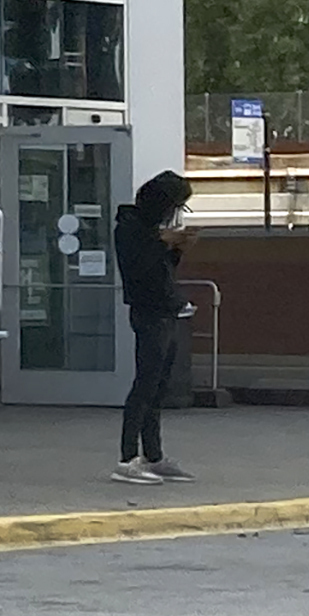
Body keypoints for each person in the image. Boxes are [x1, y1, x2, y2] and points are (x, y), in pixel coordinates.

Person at [114, 171, 196, 484]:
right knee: (145, 385)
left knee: (159, 386)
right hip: (149, 312)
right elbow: (143, 269)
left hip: (165, 310)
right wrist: (165, 243)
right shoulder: (132, 230)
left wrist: (175, 249)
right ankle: (126, 457)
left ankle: (153, 454)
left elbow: (162, 269)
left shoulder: (148, 231)